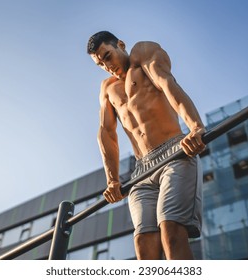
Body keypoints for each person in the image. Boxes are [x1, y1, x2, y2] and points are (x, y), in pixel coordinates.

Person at [87, 31, 206, 260]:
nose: (107, 66)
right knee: (143, 243)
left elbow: (167, 84)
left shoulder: (143, 52)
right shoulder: (107, 88)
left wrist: (195, 127)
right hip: (142, 170)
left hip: (174, 153)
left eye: (108, 56)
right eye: (100, 63)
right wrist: (112, 180)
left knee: (171, 231)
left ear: (120, 44)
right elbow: (107, 133)